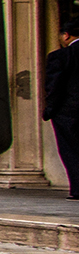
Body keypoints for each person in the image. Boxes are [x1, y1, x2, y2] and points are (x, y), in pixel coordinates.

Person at [45, 22, 79, 197]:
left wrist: (50, 108)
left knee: (71, 149)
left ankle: (78, 188)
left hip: (68, 111)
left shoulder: (60, 56)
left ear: (66, 35)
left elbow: (54, 86)